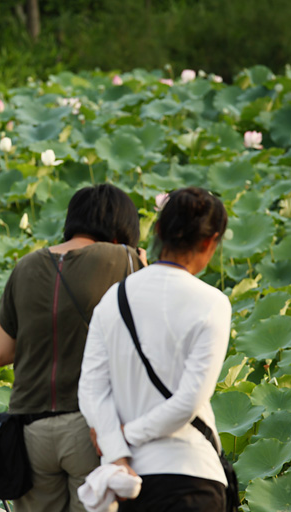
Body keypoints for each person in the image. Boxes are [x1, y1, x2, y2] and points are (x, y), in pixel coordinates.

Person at [0, 183, 146, 512]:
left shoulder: (25, 266)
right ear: (122, 228)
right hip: (88, 426)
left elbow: (1, 354)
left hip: (29, 429)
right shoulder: (123, 258)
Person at [78, 187, 231, 512]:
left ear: (158, 230)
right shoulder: (213, 303)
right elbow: (188, 402)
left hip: (129, 483)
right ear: (209, 242)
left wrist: (117, 449)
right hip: (192, 478)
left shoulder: (113, 300)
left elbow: (90, 390)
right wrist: (128, 433)